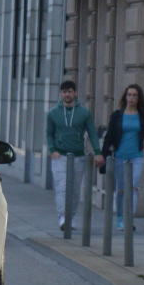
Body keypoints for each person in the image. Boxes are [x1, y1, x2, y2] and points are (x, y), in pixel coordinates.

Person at [46, 79, 104, 232]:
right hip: (60, 156)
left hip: (78, 156)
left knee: (75, 189)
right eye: (64, 92)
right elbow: (49, 134)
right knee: (62, 187)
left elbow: (92, 133)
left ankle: (70, 217)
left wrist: (98, 152)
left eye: (70, 91)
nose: (67, 95)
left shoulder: (84, 113)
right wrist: (53, 150)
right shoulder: (53, 113)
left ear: (75, 93)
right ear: (61, 94)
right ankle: (62, 217)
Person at [102, 83, 144, 231]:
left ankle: (129, 219)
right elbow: (109, 137)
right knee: (121, 189)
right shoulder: (117, 116)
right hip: (120, 156)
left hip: (136, 157)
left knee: (133, 187)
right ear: (125, 97)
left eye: (134, 95)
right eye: (129, 95)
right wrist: (103, 156)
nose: (131, 98)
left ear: (139, 99)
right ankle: (120, 218)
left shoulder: (143, 116)